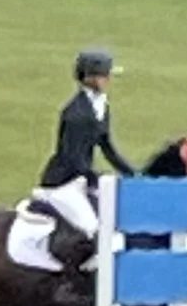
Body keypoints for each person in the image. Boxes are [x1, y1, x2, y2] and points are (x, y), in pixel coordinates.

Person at [26, 48, 127, 270]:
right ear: (89, 78)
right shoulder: (75, 114)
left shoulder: (101, 106)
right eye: (104, 75)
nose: (108, 79)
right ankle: (75, 276)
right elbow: (72, 158)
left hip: (81, 178)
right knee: (92, 228)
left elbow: (107, 147)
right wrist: (96, 178)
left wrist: (133, 174)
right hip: (63, 183)